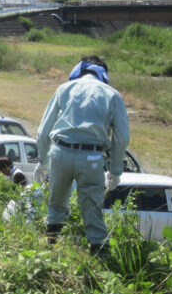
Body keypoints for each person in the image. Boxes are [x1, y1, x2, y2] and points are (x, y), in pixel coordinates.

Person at [35, 56, 130, 256]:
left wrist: (43, 161)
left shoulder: (64, 89)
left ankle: (50, 250)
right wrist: (115, 171)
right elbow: (121, 139)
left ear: (78, 70)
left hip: (60, 153)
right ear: (104, 74)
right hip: (92, 158)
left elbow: (44, 131)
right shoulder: (112, 95)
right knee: (92, 208)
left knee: (56, 203)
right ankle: (100, 256)